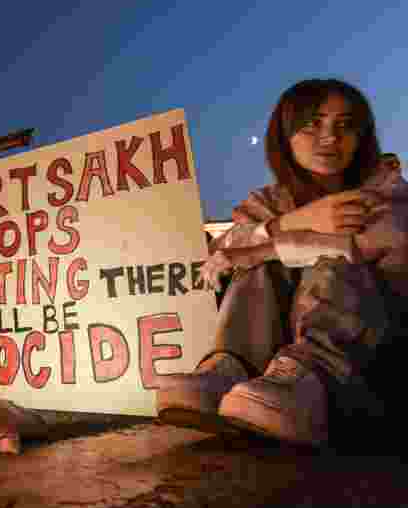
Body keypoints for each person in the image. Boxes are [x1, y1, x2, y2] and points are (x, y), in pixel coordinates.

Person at [156, 79, 407, 447]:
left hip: (374, 358)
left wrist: (265, 248)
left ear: (361, 136)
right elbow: (219, 254)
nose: (329, 138)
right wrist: (290, 222)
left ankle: (312, 376)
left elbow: (373, 243)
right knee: (254, 268)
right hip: (270, 363)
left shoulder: (383, 188)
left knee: (332, 259)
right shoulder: (270, 200)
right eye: (312, 124)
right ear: (285, 136)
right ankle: (231, 368)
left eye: (344, 125)